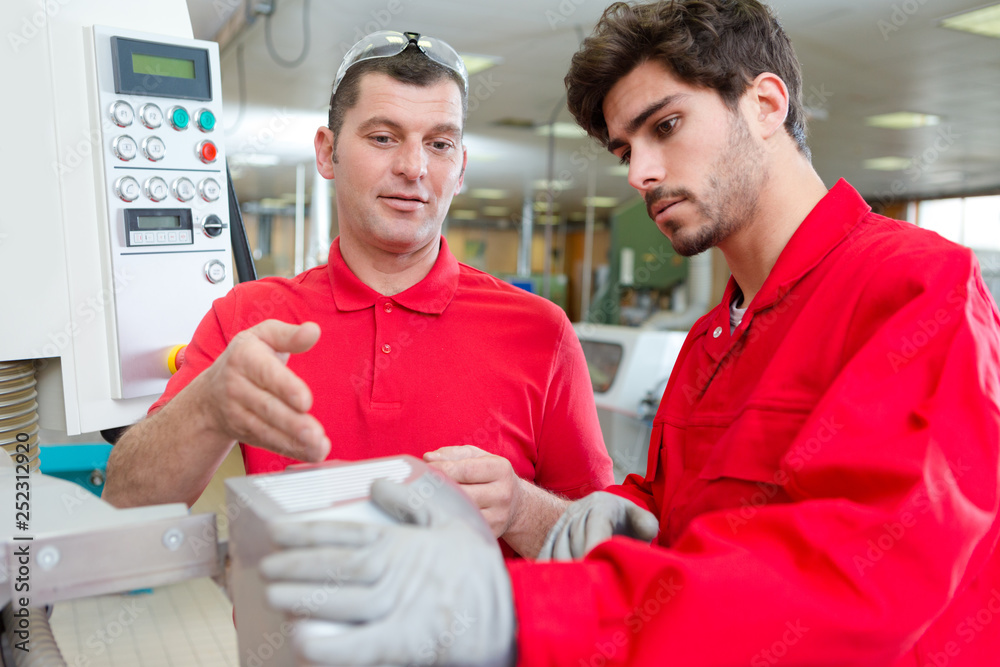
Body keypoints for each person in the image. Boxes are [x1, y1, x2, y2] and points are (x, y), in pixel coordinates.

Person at [258, 2, 1000, 666]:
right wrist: (540, 515)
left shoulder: (914, 288)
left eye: (665, 126)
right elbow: (682, 544)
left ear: (766, 104)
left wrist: (508, 610)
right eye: (623, 150)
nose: (640, 173)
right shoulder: (712, 342)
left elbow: (860, 577)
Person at [101, 31, 613, 559]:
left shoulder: (541, 331)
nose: (414, 167)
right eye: (384, 137)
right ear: (327, 153)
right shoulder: (249, 319)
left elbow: (608, 551)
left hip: (491, 618)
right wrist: (207, 410)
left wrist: (524, 510)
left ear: (460, 168)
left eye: (439, 144)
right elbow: (126, 504)